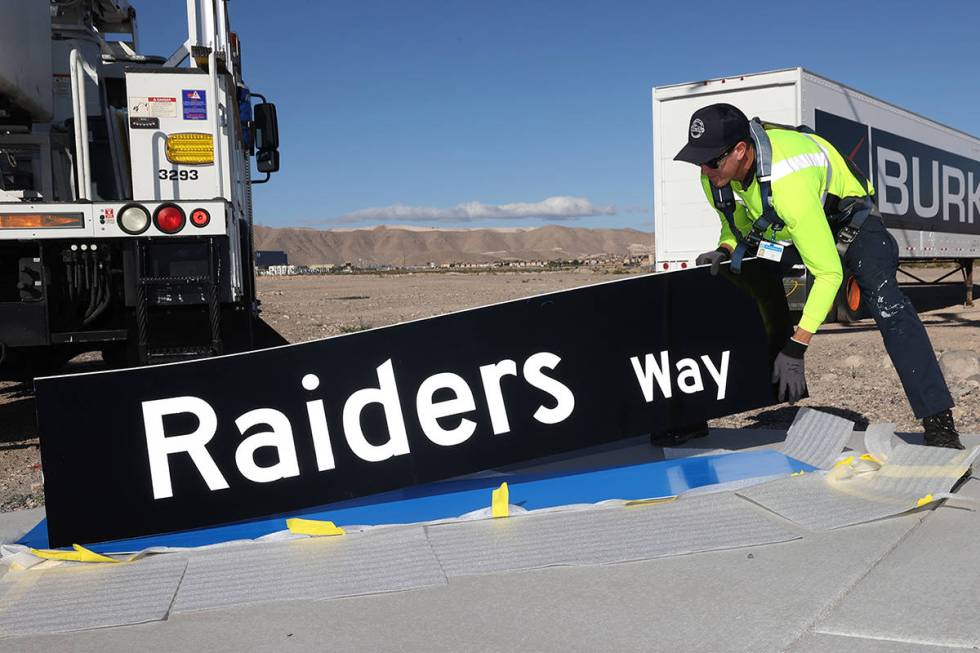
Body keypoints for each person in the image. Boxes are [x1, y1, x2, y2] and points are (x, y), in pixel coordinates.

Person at [666, 103, 962, 449]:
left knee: (888, 306)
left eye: (711, 160)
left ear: (741, 151)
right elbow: (737, 225)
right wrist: (726, 249)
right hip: (791, 227)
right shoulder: (713, 176)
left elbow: (828, 273)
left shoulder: (788, 179)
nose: (703, 168)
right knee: (725, 280)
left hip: (851, 225)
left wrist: (798, 346)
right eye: (697, 159)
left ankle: (939, 421)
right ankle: (692, 415)